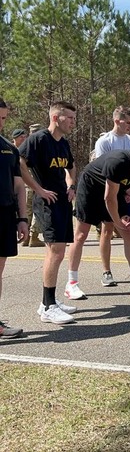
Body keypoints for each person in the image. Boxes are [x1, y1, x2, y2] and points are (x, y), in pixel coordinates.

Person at [65, 147, 130, 300]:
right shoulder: (117, 163)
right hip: (91, 189)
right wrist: (118, 223)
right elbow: (108, 199)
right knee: (81, 235)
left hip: (114, 191)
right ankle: (71, 284)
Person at [19, 101, 78, 324]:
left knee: (55, 254)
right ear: (56, 118)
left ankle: (48, 301)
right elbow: (20, 162)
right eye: (70, 118)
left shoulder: (63, 143)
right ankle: (48, 307)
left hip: (62, 202)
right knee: (56, 253)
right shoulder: (39, 139)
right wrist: (38, 189)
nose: (73, 122)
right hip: (46, 204)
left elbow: (71, 166)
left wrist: (72, 185)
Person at [0, 99, 29, 338]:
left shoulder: (10, 148)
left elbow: (19, 186)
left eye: (4, 118)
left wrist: (23, 218)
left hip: (5, 215)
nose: (1, 123)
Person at [14, 127, 44, 247]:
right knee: (37, 210)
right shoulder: (36, 147)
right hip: (33, 184)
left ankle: (27, 237)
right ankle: (33, 236)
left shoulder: (23, 147)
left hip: (24, 185)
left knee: (27, 211)